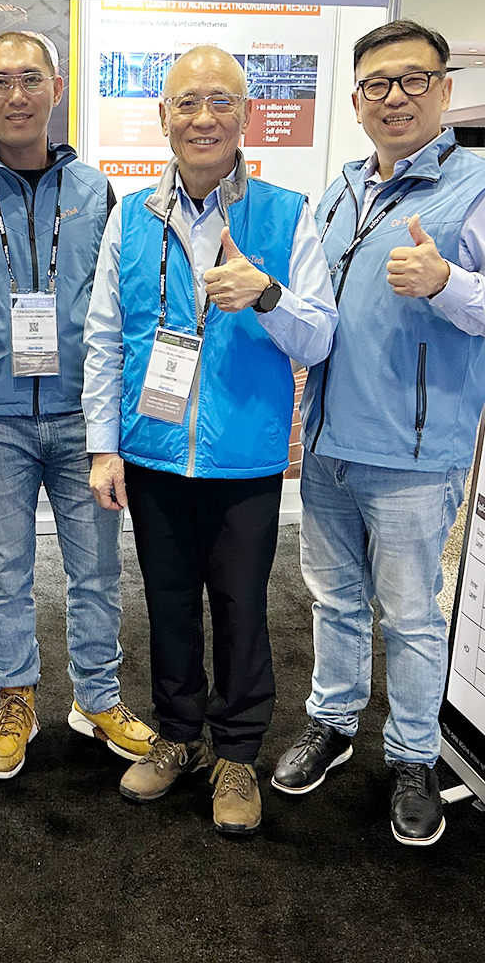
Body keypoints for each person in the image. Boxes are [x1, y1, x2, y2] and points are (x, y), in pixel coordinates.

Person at [83, 45, 337, 834]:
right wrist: (103, 447)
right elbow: (104, 339)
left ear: (246, 115)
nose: (203, 117)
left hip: (244, 459)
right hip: (153, 452)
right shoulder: (131, 215)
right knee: (166, 607)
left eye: (221, 101)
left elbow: (321, 337)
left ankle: (237, 753)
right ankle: (179, 736)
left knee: (241, 610)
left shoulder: (288, 214)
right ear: (162, 116)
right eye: (187, 102)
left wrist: (267, 295)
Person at [0, 30, 154, 780]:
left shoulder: (96, 192)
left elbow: (123, 305)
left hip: (82, 416)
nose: (17, 95)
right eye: (1, 81)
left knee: (97, 568)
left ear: (56, 89)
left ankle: (97, 699)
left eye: (31, 79)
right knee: (5, 569)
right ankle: (16, 699)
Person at [272, 19, 485, 847]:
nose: (394, 97)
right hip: (328, 444)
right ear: (357, 100)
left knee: (410, 616)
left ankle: (414, 757)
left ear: (444, 89)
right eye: (376, 84)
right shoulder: (340, 192)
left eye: (412, 79)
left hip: (414, 454)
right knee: (334, 600)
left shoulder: (474, 188)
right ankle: (332, 722)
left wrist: (447, 281)